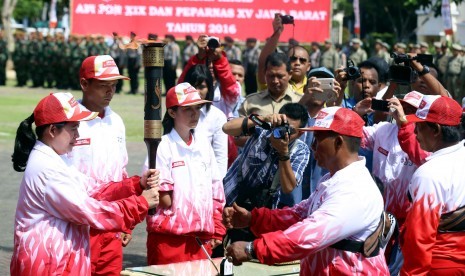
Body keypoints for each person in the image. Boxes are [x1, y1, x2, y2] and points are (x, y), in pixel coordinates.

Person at [223, 106, 388, 275]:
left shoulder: (354, 190)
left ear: (338, 142)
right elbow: (298, 215)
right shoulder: (332, 180)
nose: (313, 146)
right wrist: (253, 219)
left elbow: (309, 235)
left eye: (317, 139)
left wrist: (252, 249)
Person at [10, 92, 159, 275]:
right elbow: (91, 212)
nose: (77, 134)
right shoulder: (47, 168)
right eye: (73, 128)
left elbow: (94, 189)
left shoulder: (58, 158)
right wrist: (140, 203)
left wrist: (136, 185)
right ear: (52, 130)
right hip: (46, 267)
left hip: (60, 264)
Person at [64, 55, 134, 276]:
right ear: (85, 84)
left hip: (110, 226)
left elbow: (121, 172)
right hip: (78, 226)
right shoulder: (69, 121)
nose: (110, 92)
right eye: (104, 85)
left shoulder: (117, 122)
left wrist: (125, 222)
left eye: (113, 86)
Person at [145, 82, 226, 265]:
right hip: (169, 240)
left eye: (197, 108)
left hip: (200, 239)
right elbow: (164, 199)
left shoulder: (204, 145)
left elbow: (216, 190)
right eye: (187, 109)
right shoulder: (162, 146)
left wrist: (217, 228)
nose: (194, 113)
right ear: (172, 112)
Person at [401, 95, 465, 275]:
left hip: (439, 266)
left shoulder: (429, 174)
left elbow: (419, 239)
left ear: (435, 130)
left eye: (419, 127)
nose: (414, 133)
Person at [257, 13, 311, 95]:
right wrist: (277, 33)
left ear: (308, 66)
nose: (297, 63)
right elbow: (263, 64)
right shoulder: (275, 83)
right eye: (293, 59)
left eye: (302, 60)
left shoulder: (313, 85)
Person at [239, 52, 302, 117]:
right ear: (264, 73)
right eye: (271, 76)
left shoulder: (300, 101)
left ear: (290, 74)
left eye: (280, 76)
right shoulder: (250, 102)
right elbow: (236, 125)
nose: (275, 81)